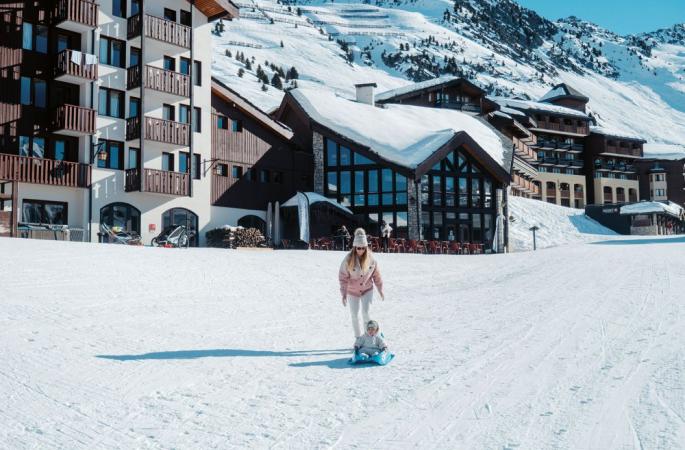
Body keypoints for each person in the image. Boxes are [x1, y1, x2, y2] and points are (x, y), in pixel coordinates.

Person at [338, 228, 384, 338]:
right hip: (352, 291)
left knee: (366, 313)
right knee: (354, 315)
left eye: (363, 248)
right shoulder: (348, 259)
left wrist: (380, 290)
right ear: (354, 247)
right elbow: (343, 278)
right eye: (358, 248)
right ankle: (358, 339)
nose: (361, 250)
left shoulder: (371, 259)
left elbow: (376, 275)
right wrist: (343, 294)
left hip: (367, 290)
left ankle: (369, 337)